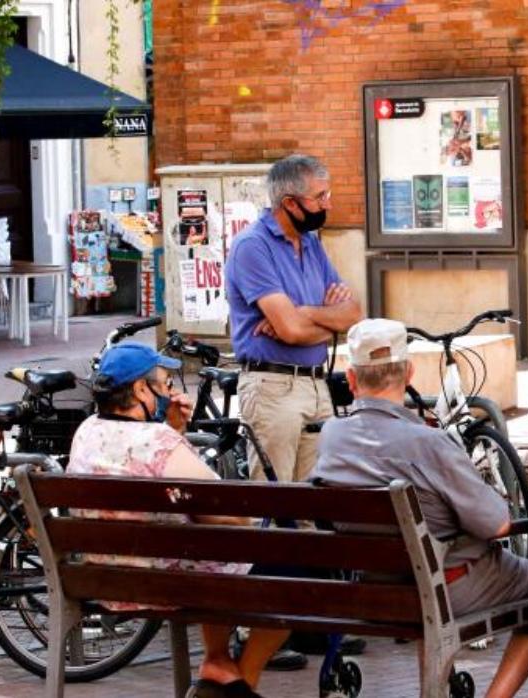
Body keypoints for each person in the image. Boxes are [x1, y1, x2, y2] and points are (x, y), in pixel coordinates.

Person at [312, 319, 528, 698]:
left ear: (351, 379)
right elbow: (498, 524)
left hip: (373, 592)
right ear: (409, 373)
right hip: (448, 589)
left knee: (432, 563)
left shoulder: (332, 437)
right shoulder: (429, 443)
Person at [68, 344, 288, 698]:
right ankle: (239, 682)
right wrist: (173, 436)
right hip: (170, 582)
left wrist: (174, 430)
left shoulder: (86, 431)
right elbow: (223, 512)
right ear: (141, 389)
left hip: (106, 579)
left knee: (212, 550)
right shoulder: (158, 440)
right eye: (165, 383)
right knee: (292, 575)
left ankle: (217, 661)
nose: (170, 392)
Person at [224, 154, 364, 666]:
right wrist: (316, 319)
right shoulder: (252, 248)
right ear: (290, 202)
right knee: (271, 507)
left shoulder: (312, 243)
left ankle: (309, 622)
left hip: (314, 386)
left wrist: (305, 314)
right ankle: (252, 625)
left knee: (314, 510)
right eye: (320, 198)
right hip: (273, 387)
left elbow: (353, 314)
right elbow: (287, 332)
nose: (328, 205)